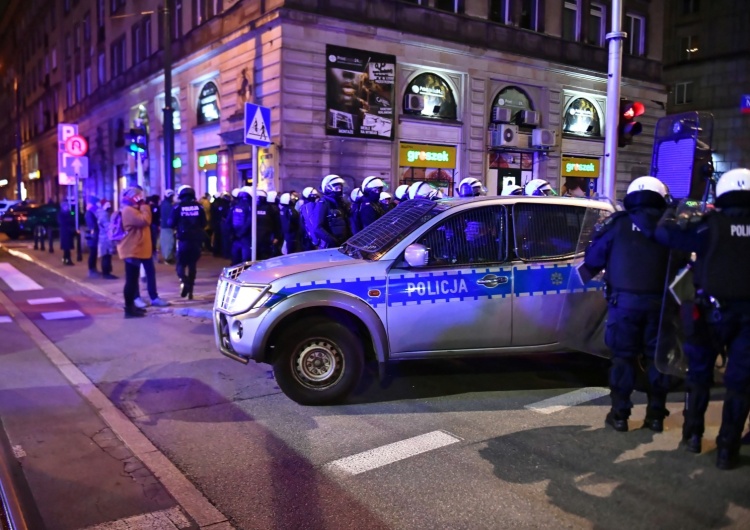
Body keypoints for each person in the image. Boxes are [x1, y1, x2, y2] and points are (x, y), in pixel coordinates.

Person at [656, 168, 750, 469]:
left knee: (699, 377)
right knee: (740, 385)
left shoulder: (709, 225)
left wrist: (672, 210)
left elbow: (665, 234)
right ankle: (727, 451)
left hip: (709, 315)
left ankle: (693, 436)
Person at [584, 176, 683, 434]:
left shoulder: (617, 224)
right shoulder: (670, 227)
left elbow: (593, 258)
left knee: (623, 360)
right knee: (657, 361)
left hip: (624, 306)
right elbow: (684, 264)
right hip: (661, 308)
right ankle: (656, 416)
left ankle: (620, 416)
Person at [116, 187, 169, 318]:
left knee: (141, 276)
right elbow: (145, 220)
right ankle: (129, 308)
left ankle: (136, 305)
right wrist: (144, 205)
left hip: (141, 249)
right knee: (131, 280)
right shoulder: (128, 210)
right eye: (139, 196)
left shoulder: (134, 209)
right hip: (132, 250)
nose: (142, 198)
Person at [169, 185, 206, 299]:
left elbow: (170, 223)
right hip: (196, 241)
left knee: (180, 264)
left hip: (183, 240)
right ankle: (191, 291)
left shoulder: (177, 207)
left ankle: (184, 281)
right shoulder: (199, 207)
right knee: (192, 265)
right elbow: (204, 223)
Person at [313, 175, 350, 248]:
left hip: (342, 243)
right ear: (328, 189)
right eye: (337, 188)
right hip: (329, 246)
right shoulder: (323, 203)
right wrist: (333, 241)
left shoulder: (340, 203)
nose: (339, 191)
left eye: (340, 188)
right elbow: (318, 227)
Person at [227, 186, 253, 264]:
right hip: (245, 236)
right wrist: (240, 233)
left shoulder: (235, 205)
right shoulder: (250, 206)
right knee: (245, 260)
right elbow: (249, 221)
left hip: (235, 235)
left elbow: (228, 220)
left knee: (235, 258)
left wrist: (232, 233)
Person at [254, 190, 281, 260]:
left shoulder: (270, 209)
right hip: (259, 237)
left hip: (266, 237)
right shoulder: (253, 207)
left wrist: (276, 236)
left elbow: (276, 223)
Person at [96, 201, 117, 279]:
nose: (109, 207)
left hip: (103, 238)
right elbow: (108, 226)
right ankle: (106, 273)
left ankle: (106, 272)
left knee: (106, 256)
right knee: (106, 256)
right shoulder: (104, 215)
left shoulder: (101, 214)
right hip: (106, 238)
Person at [210, 191, 230, 257]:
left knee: (217, 238)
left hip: (216, 223)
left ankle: (216, 252)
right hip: (221, 223)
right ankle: (223, 252)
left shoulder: (213, 204)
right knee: (223, 238)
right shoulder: (223, 204)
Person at [84, 196, 100, 278]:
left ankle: (93, 268)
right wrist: (93, 233)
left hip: (93, 235)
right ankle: (91, 270)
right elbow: (92, 225)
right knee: (93, 253)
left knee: (94, 253)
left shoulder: (91, 212)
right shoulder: (89, 213)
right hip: (93, 236)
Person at [159, 189, 176, 264]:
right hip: (167, 226)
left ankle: (168, 257)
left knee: (166, 242)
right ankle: (168, 258)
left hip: (165, 226)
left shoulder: (164, 204)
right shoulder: (168, 205)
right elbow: (170, 216)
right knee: (168, 242)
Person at [58, 201, 76, 266]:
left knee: (67, 247)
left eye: (67, 206)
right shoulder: (61, 214)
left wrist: (72, 211)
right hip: (65, 232)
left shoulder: (69, 213)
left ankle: (65, 259)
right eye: (65, 206)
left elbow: (73, 215)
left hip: (69, 232)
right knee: (66, 247)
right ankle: (68, 260)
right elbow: (62, 222)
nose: (67, 208)